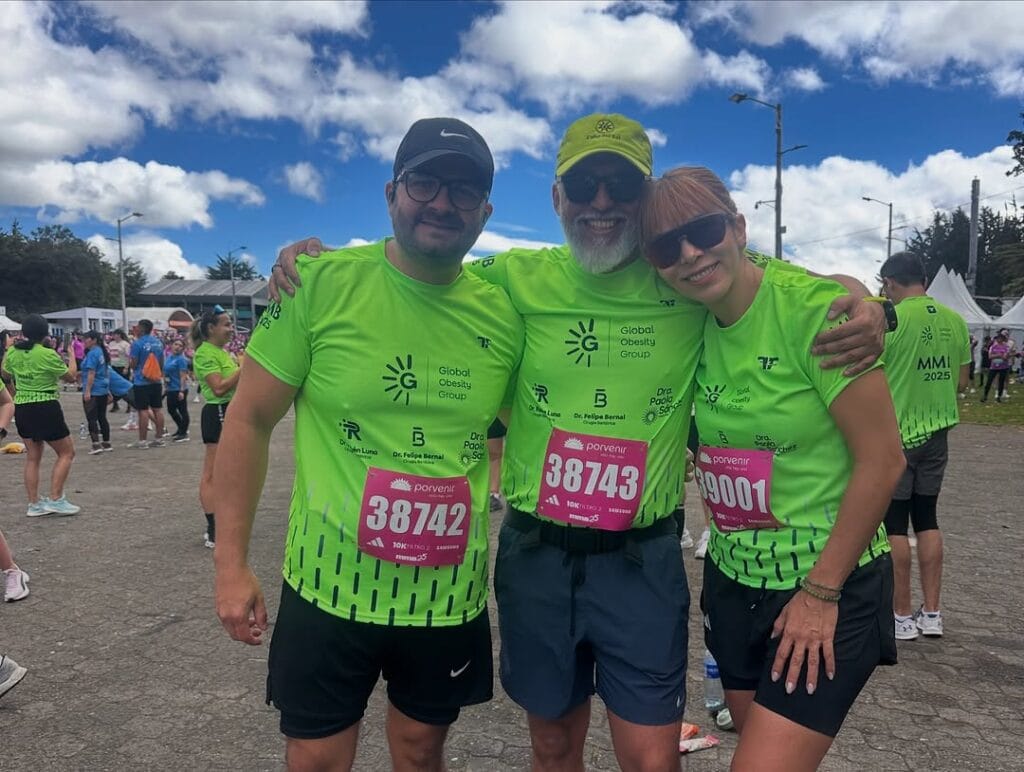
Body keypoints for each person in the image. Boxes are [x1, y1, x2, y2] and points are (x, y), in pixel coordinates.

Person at [269, 114, 887, 771]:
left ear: (644, 199)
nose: (601, 201)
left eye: (621, 185)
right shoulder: (513, 277)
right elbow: (421, 264)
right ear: (557, 197)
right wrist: (317, 263)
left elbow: (777, 282)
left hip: (641, 562)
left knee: (651, 759)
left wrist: (868, 301)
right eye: (584, 185)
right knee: (553, 745)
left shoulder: (677, 270)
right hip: (537, 556)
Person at [214, 117, 523, 772]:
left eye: (464, 191)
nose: (442, 202)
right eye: (424, 183)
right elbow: (248, 421)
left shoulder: (504, 312)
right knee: (316, 758)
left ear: (485, 212)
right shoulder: (318, 284)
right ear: (391, 193)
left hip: (446, 596)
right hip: (328, 587)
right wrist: (230, 565)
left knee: (420, 752)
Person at [641, 166, 904, 770]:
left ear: (738, 227)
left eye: (704, 230)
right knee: (758, 747)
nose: (689, 254)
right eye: (666, 246)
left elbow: (884, 460)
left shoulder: (814, 314)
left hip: (826, 583)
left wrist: (820, 592)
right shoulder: (686, 317)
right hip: (733, 580)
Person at [877, 253, 970, 641]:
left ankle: (901, 615)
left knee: (895, 524)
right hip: (938, 433)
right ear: (925, 280)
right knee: (927, 518)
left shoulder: (890, 322)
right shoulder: (955, 320)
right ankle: (932, 613)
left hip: (898, 435)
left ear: (890, 282)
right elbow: (962, 383)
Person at [0, 314, 80, 516]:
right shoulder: (47, 354)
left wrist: (9, 351)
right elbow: (71, 377)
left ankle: (34, 504)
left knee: (33, 458)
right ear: (45, 333)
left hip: (23, 406)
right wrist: (71, 355)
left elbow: (6, 374)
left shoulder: (13, 353)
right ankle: (56, 498)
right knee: (66, 452)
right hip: (45, 406)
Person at [191, 306, 241, 549]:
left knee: (229, 472)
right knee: (212, 474)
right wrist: (245, 368)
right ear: (211, 328)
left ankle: (224, 522)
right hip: (218, 411)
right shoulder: (204, 353)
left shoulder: (221, 352)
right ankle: (214, 529)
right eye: (226, 324)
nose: (231, 329)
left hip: (230, 412)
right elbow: (219, 387)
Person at [128, 319, 166, 448]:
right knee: (158, 409)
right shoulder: (158, 343)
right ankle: (159, 438)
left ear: (142, 328)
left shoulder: (137, 343)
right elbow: (161, 362)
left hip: (141, 381)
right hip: (156, 380)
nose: (136, 329)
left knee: (143, 411)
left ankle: (143, 441)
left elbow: (134, 363)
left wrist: (132, 366)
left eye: (137, 327)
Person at [81, 331, 113, 454]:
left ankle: (96, 444)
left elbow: (91, 372)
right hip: (102, 388)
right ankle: (106, 442)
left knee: (92, 418)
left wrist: (87, 391)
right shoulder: (101, 352)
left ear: (94, 340)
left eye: (87, 339)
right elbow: (105, 371)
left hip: (94, 389)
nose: (84, 341)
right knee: (102, 417)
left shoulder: (93, 353)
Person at [163, 338, 192, 442]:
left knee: (182, 410)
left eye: (180, 346)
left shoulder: (181, 360)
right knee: (171, 410)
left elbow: (183, 376)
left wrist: (181, 390)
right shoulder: (169, 357)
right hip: (170, 388)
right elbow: (165, 372)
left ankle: (183, 433)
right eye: (176, 344)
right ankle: (181, 428)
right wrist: (165, 385)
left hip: (178, 388)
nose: (177, 347)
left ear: (183, 349)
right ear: (172, 345)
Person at [981, 332, 1011, 403]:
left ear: (1003, 339)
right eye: (998, 338)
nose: (999, 339)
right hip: (993, 367)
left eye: (1000, 338)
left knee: (1001, 382)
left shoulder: (1006, 347)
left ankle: (999, 396)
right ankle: (985, 396)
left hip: (1003, 367)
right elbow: (990, 356)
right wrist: (999, 355)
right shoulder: (993, 347)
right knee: (989, 381)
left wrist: (996, 355)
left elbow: (1005, 357)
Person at [107, 330, 131, 414]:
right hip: (114, 366)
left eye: (115, 334)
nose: (113, 336)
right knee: (113, 386)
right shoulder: (111, 344)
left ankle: (129, 404)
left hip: (122, 366)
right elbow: (109, 355)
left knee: (125, 386)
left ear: (119, 335)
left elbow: (128, 357)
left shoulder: (125, 344)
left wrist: (126, 367)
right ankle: (115, 404)